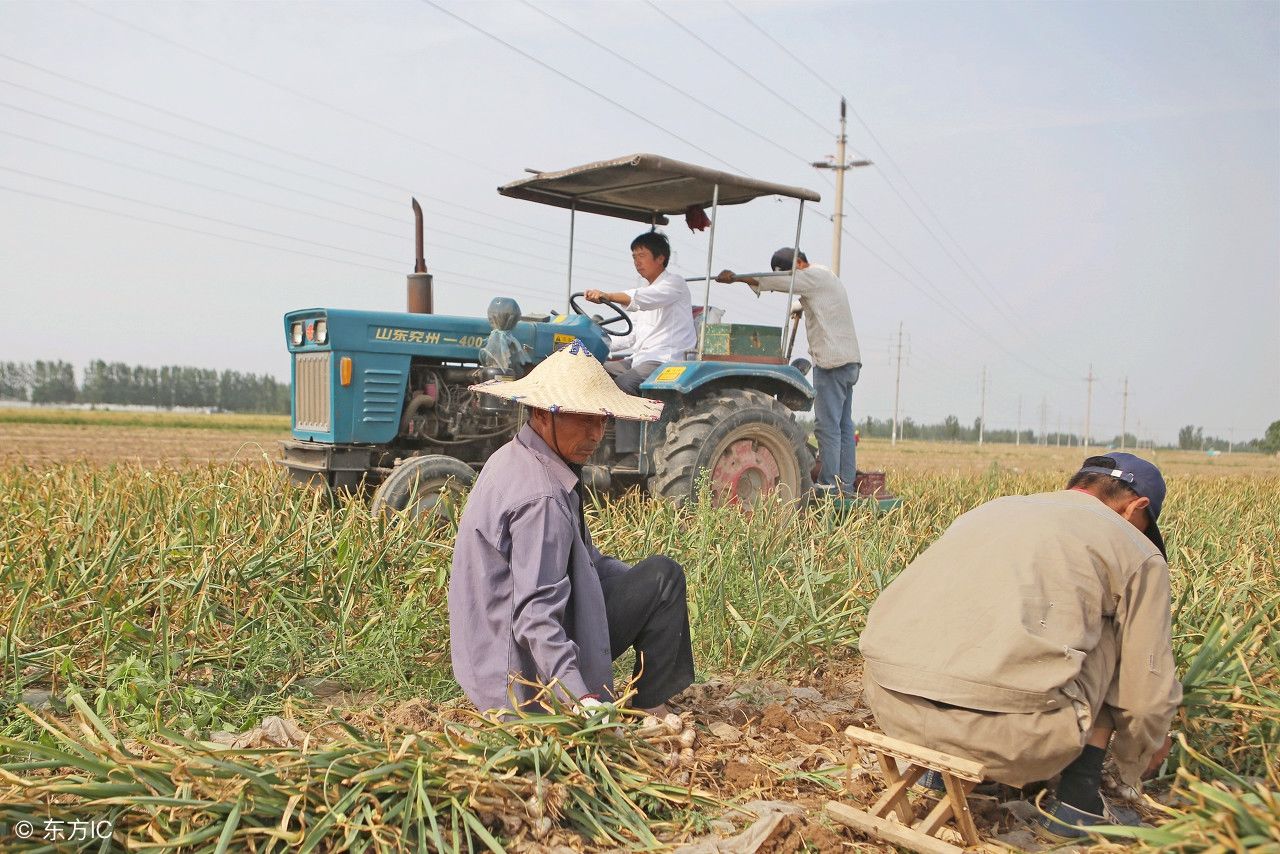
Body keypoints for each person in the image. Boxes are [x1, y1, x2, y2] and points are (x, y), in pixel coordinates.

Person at [859, 453, 1181, 838]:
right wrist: (1139, 754)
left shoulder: (992, 510)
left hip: (894, 710)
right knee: (1113, 632)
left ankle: (937, 776)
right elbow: (1147, 691)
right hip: (1012, 741)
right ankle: (1078, 806)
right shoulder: (1135, 548)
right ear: (1136, 508)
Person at [448, 339, 695, 716]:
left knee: (657, 581)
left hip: (487, 663)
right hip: (520, 677)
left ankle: (645, 700)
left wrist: (634, 593)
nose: (596, 434)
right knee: (664, 577)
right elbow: (535, 614)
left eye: (602, 420)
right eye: (584, 418)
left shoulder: (517, 458)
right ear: (544, 414)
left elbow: (584, 565)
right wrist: (581, 698)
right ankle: (647, 709)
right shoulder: (541, 497)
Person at [717, 249, 861, 493]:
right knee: (844, 426)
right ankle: (844, 484)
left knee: (827, 426)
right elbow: (802, 295)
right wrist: (798, 307)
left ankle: (828, 484)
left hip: (831, 363)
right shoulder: (825, 277)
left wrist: (738, 278)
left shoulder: (812, 276)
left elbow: (782, 283)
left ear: (797, 264)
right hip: (849, 361)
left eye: (787, 272)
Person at [584, 230, 696, 395]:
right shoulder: (644, 291)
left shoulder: (674, 284)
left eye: (642, 255)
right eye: (634, 257)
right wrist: (591, 345)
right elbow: (631, 336)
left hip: (666, 360)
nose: (637, 262)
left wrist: (608, 296)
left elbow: (642, 299)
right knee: (589, 372)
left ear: (660, 258)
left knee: (624, 384)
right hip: (640, 359)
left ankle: (625, 421)